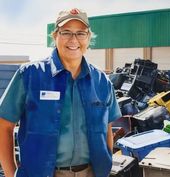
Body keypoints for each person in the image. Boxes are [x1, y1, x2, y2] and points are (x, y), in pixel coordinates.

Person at [0, 8, 121, 177]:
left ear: (88, 37)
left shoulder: (102, 81)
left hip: (91, 172)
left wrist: (104, 168)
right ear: (55, 35)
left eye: (81, 33)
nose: (73, 39)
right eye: (66, 32)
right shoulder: (29, 74)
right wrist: (10, 173)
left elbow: (107, 127)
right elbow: (4, 125)